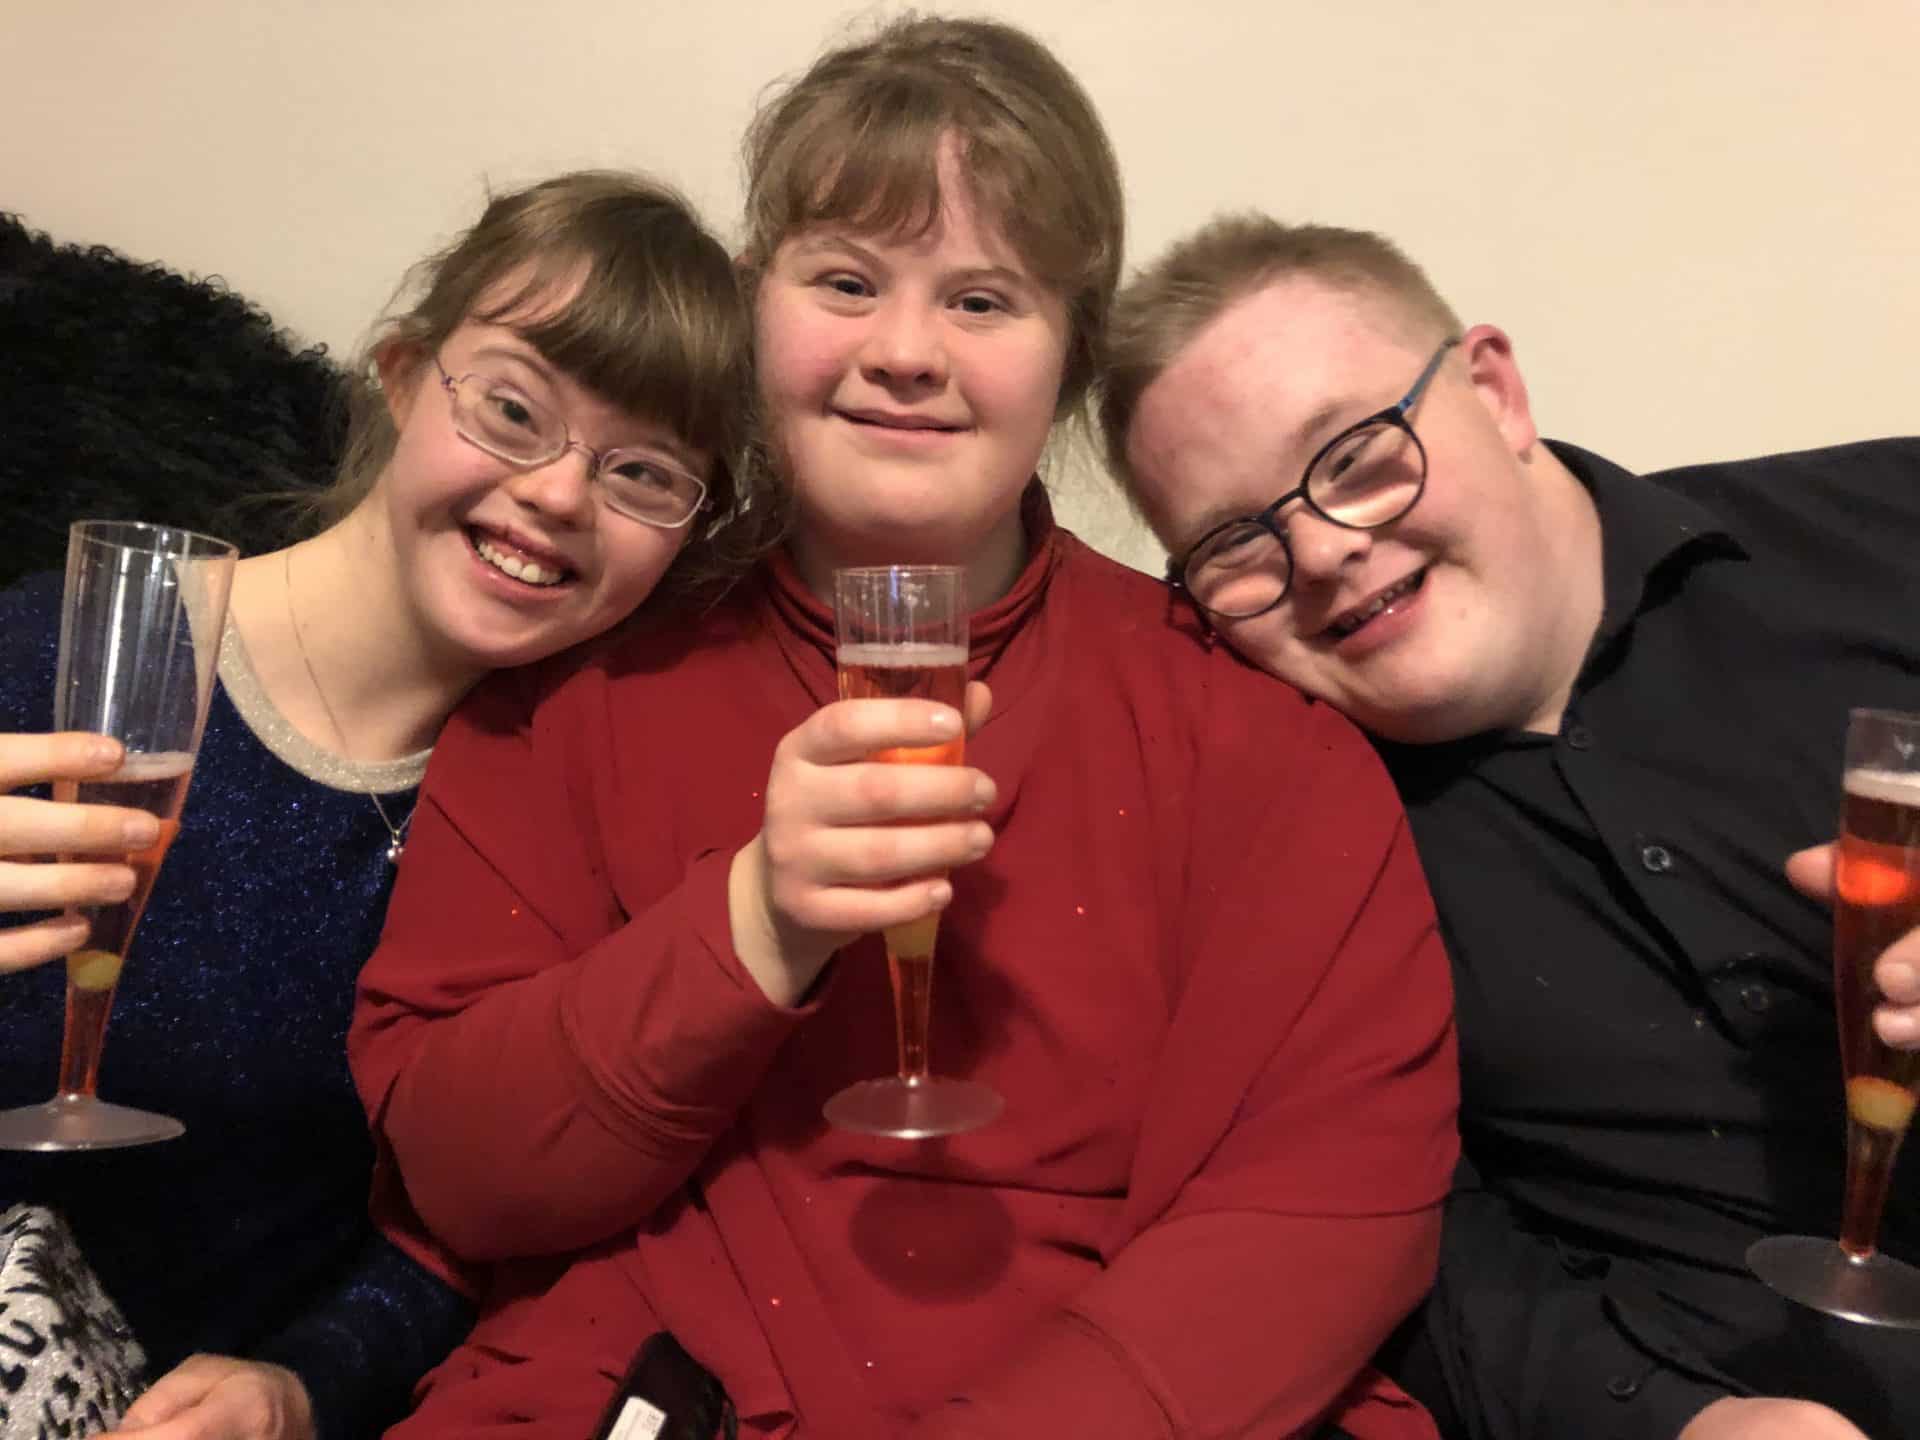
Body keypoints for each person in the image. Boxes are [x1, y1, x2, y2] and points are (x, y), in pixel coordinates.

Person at [348, 19, 1459, 1440]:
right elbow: (459, 1176)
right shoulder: (579, 677)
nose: (906, 354)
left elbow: (1333, 1212)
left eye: (984, 301)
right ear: (756, 310)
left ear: (1069, 361)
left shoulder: (1255, 736)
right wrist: (751, 923)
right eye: (846, 282)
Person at [1099, 215, 1920, 1439]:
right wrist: (1675, 1422)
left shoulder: (1886, 530)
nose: (1320, 551)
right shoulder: (1290, 844)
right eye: (1231, 545)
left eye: (1356, 456)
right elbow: (1397, 1237)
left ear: (1494, 392)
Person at [0, 170, 761, 1440]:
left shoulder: (576, 815)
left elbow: (480, 1226)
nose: (558, 494)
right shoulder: (70, 659)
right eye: (512, 409)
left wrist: (300, 1385)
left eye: (643, 473)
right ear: (404, 378)